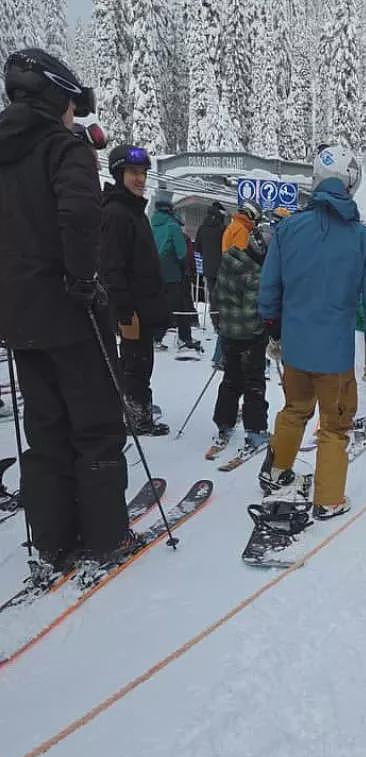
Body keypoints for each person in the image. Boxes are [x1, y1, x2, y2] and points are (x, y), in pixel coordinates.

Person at [0, 48, 131, 572]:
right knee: (96, 424)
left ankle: (52, 538)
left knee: (45, 429)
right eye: (73, 105)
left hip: (18, 317)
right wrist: (81, 280)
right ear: (57, 97)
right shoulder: (64, 147)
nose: (76, 115)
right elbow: (78, 213)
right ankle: (104, 537)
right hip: (69, 313)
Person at [257, 144, 366, 520]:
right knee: (334, 425)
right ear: (350, 184)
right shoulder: (362, 239)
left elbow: (269, 291)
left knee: (295, 408)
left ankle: (277, 470)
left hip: (296, 348)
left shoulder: (287, 229)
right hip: (334, 355)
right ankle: (328, 498)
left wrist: (274, 330)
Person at [101, 144, 170, 436]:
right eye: (133, 173)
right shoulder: (117, 213)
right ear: (119, 174)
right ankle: (135, 415)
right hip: (132, 308)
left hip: (144, 305)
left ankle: (138, 407)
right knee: (135, 363)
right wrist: (125, 311)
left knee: (141, 361)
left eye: (142, 173)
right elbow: (110, 266)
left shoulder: (134, 211)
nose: (140, 179)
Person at [209, 230, 269, 458]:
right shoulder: (255, 275)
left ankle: (224, 422)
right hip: (248, 338)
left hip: (227, 332)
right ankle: (255, 430)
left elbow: (215, 296)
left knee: (231, 380)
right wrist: (263, 331)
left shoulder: (229, 260)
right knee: (254, 383)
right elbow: (252, 313)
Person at [151, 198, 202, 353]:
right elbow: (182, 252)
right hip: (172, 271)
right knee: (178, 305)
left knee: (163, 305)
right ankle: (179, 338)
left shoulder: (151, 225)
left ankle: (163, 337)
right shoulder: (173, 226)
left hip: (155, 271)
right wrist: (185, 267)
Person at [194, 201, 226, 304]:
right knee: (223, 295)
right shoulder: (223, 229)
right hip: (223, 267)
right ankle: (222, 317)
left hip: (208, 267)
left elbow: (197, 248)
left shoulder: (202, 228)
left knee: (212, 294)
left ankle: (214, 317)